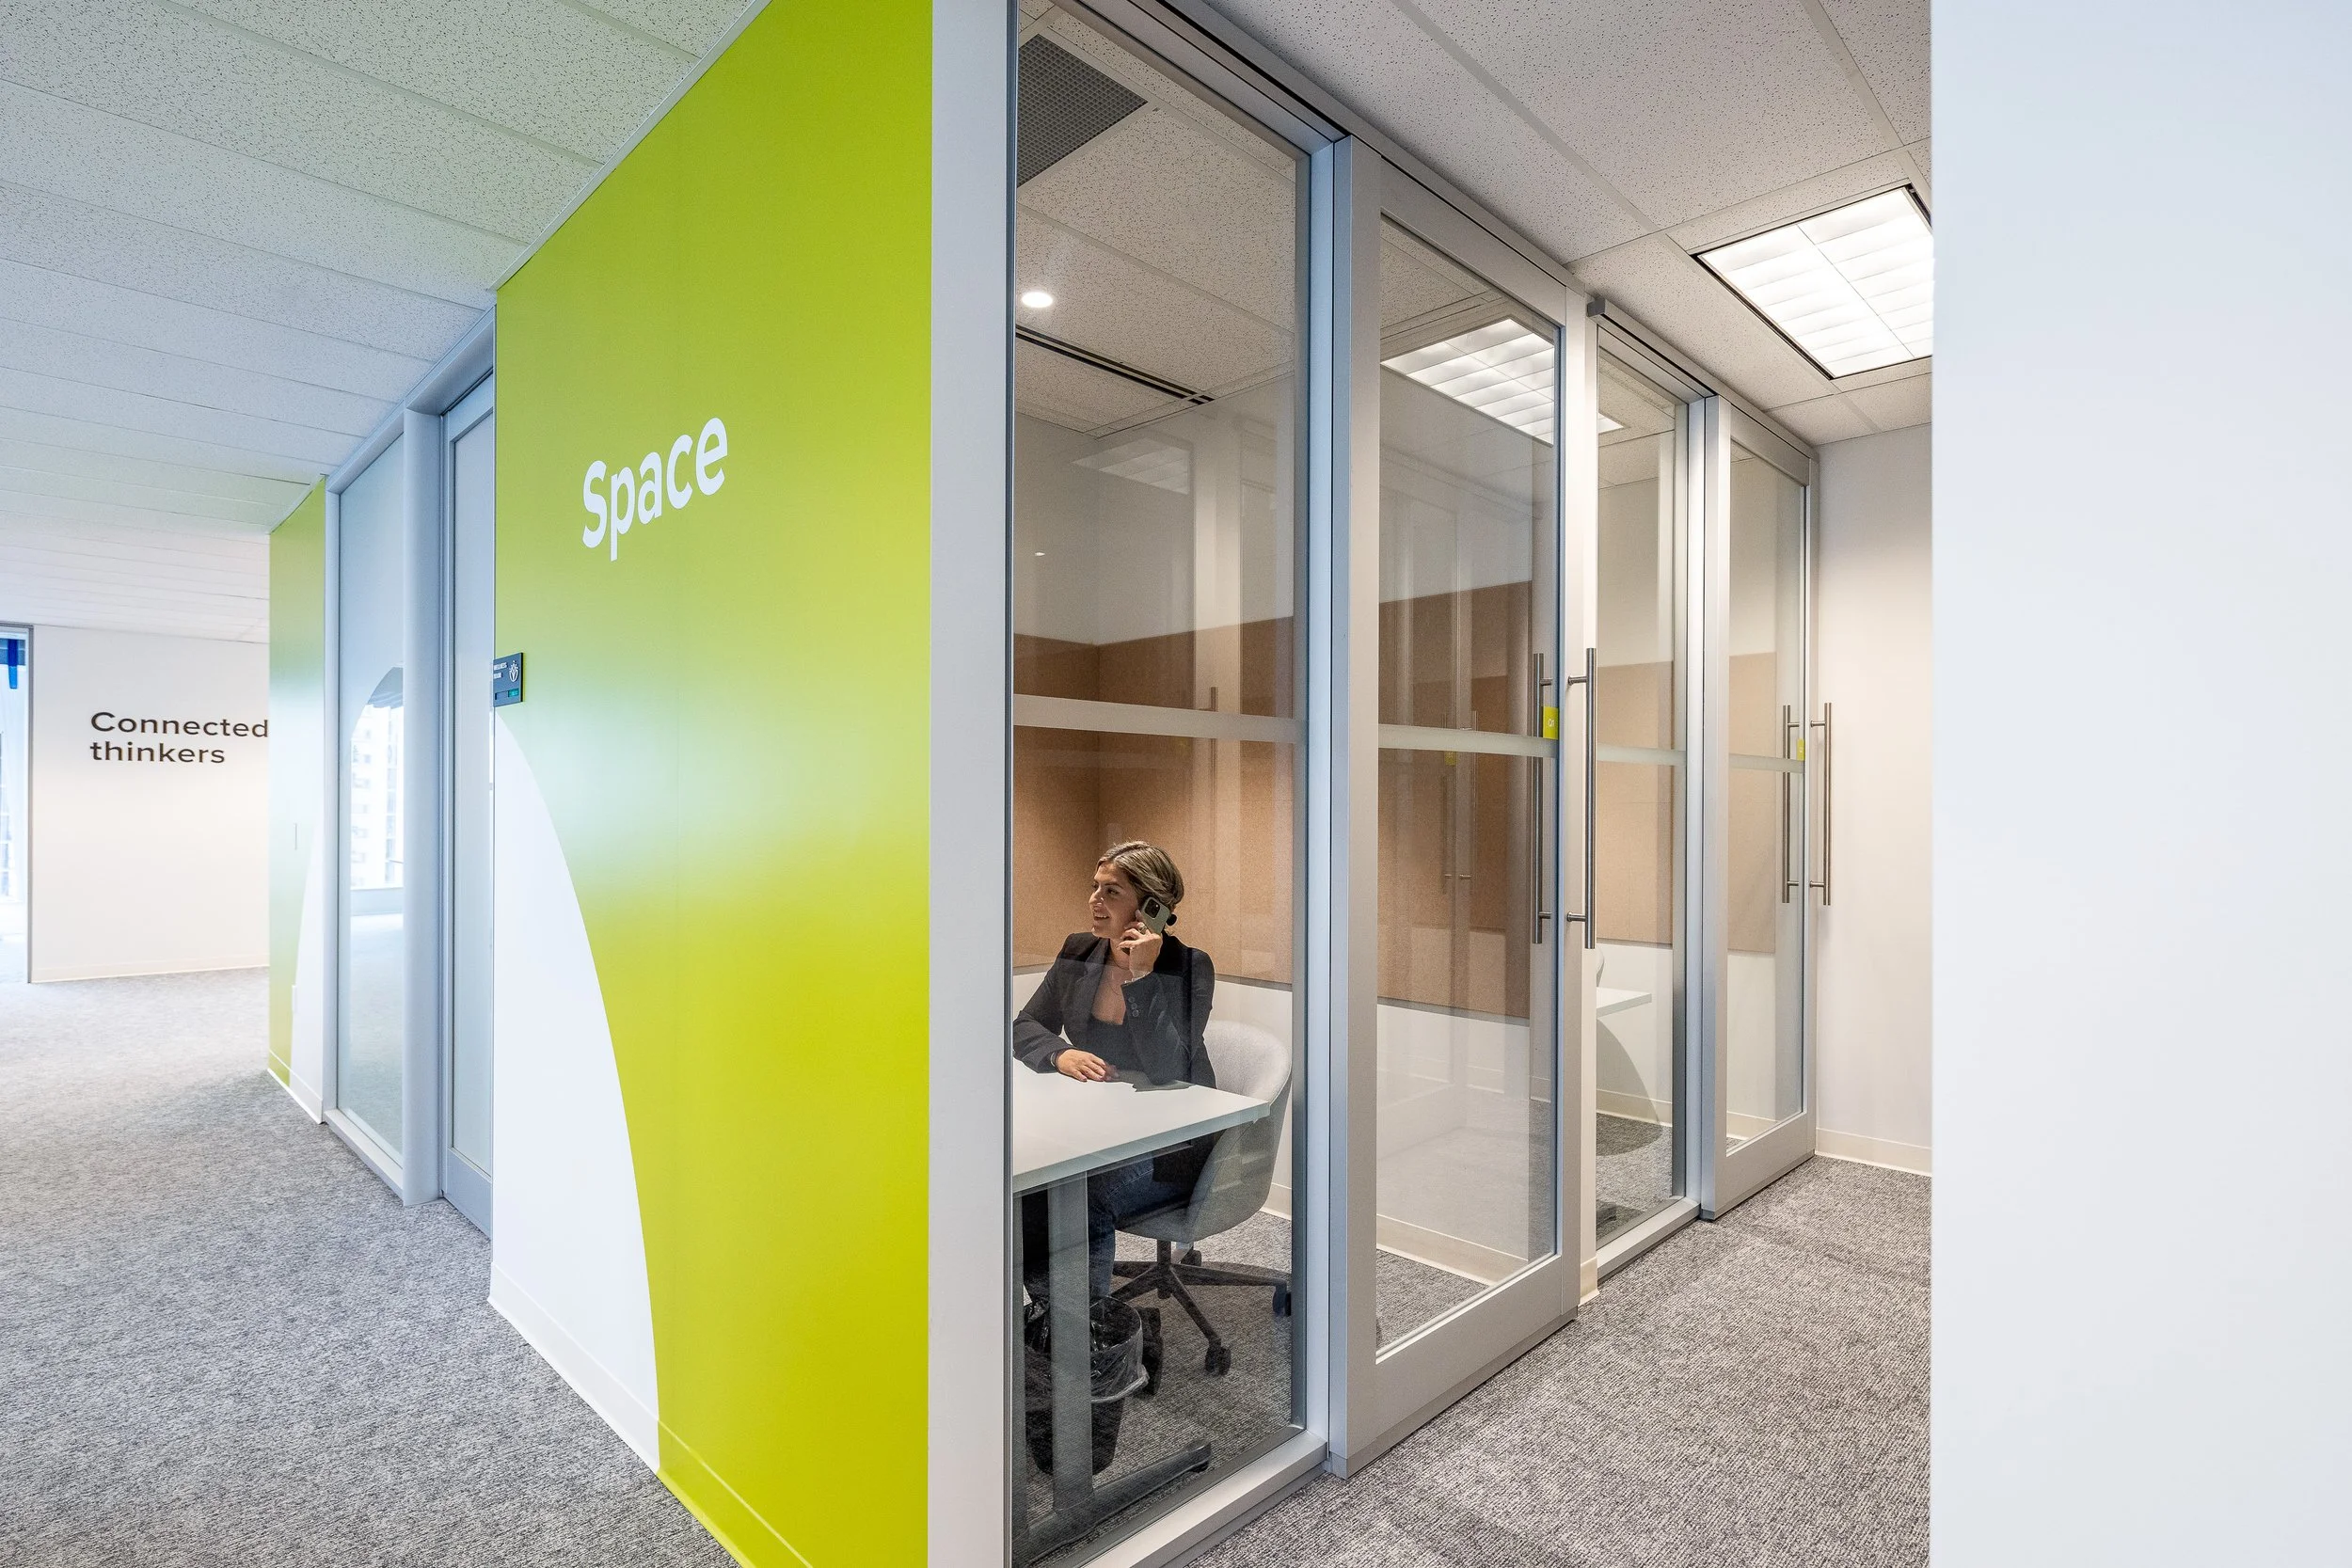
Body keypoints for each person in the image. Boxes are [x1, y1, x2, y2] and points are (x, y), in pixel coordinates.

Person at [1015, 841, 1216, 1298]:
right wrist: (1058, 1054)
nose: (1094, 901)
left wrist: (1141, 977)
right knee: (1030, 1184)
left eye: (1111, 892)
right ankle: (1054, 1322)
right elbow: (1025, 1024)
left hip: (1170, 1143)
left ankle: (1091, 1338)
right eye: (1094, 887)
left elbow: (1167, 1068)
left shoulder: (1188, 967)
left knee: (1080, 1196)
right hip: (1098, 1126)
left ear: (1151, 907)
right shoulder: (1080, 950)